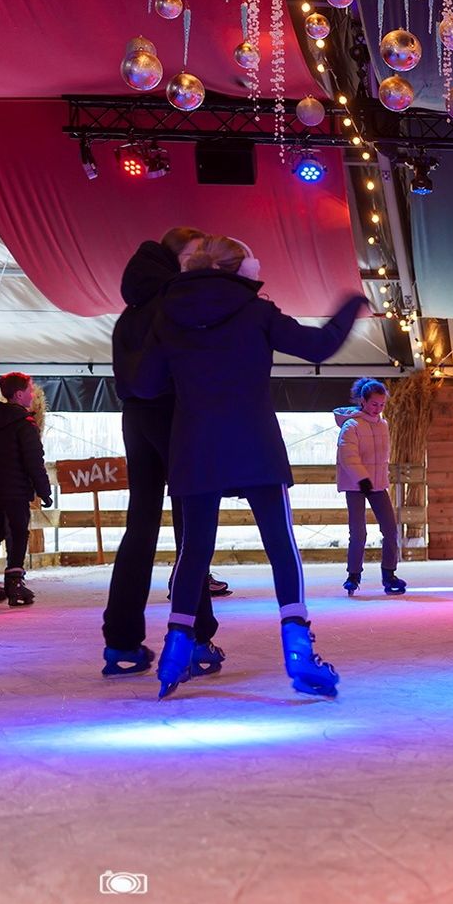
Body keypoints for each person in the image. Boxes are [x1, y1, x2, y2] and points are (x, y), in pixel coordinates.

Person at [131, 235, 363, 699]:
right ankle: (299, 652)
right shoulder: (257, 311)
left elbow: (145, 382)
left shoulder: (165, 314)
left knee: (194, 550)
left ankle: (175, 653)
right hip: (253, 440)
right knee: (281, 544)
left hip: (195, 442)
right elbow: (318, 347)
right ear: (241, 271)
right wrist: (352, 304)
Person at [99, 229, 220, 676]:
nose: (199, 262)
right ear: (175, 257)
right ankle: (196, 636)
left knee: (141, 526)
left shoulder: (128, 313)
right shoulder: (176, 302)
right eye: (193, 255)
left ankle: (121, 641)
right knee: (192, 528)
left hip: (136, 418)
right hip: (173, 416)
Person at [0, 372, 53, 607]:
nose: (33, 395)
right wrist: (44, 491)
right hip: (15, 490)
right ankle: (14, 583)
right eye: (30, 391)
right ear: (20, 394)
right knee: (18, 532)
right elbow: (33, 460)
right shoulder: (24, 423)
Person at [335, 378, 405, 596]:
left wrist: (378, 477)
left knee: (391, 529)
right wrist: (362, 478)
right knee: (358, 532)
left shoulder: (383, 424)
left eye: (382, 405)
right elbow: (348, 455)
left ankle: (389, 573)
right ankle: (353, 576)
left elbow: (382, 457)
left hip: (377, 485)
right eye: (374, 404)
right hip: (356, 485)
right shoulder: (351, 425)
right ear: (363, 401)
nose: (378, 409)